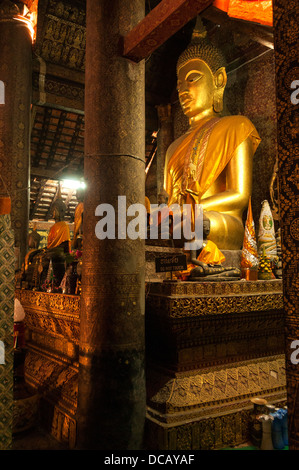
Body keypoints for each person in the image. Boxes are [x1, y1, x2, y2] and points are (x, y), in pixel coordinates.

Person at [164, 17, 261, 251]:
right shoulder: (172, 147)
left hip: (220, 221)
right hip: (181, 222)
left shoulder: (237, 126)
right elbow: (170, 202)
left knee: (198, 223)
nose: (183, 91)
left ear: (219, 80)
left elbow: (239, 194)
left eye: (192, 79)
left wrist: (195, 208)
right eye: (179, 85)